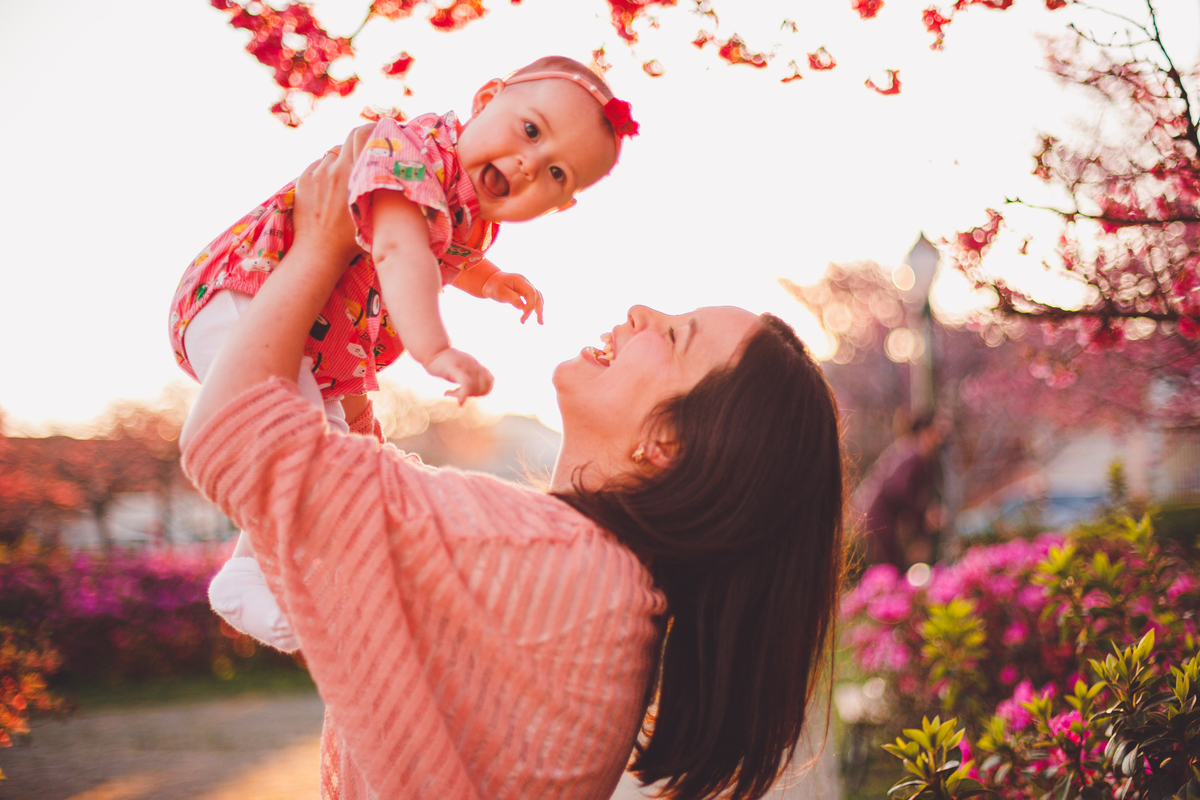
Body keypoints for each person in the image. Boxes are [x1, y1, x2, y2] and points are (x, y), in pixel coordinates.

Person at [178, 129, 846, 800]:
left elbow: (234, 435)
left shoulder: (559, 559)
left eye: (674, 336)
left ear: (669, 444)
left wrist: (321, 247)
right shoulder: (596, 582)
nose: (643, 312)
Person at [171, 55, 637, 650]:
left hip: (307, 336)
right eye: (530, 131)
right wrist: (435, 349)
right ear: (486, 96)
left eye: (555, 174)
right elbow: (399, 249)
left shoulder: (467, 212)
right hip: (247, 292)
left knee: (333, 449)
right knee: (306, 440)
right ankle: (257, 573)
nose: (528, 163)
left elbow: (447, 254)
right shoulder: (407, 150)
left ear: (559, 206)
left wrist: (491, 281)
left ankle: (251, 571)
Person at [854, 410, 945, 571]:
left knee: (891, 567)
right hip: (879, 518)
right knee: (890, 569)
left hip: (876, 516)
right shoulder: (913, 456)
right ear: (925, 431)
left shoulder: (909, 452)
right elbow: (897, 489)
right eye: (935, 430)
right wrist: (923, 514)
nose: (940, 436)